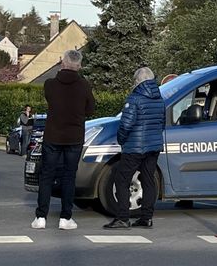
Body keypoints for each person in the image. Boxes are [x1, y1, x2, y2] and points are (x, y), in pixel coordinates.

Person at [31, 50, 95, 230]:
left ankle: (41, 216)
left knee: (47, 176)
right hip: (74, 137)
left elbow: (51, 99)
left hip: (53, 136)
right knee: (69, 177)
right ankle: (65, 217)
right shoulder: (84, 85)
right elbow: (90, 110)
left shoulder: (50, 84)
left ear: (62, 63)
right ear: (79, 66)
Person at [104, 67, 165, 229]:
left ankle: (123, 218)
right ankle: (147, 218)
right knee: (148, 180)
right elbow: (162, 123)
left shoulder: (135, 98)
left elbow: (126, 124)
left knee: (122, 180)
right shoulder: (160, 99)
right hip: (154, 146)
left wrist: (121, 140)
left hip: (134, 147)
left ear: (137, 81)